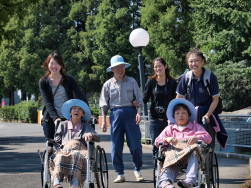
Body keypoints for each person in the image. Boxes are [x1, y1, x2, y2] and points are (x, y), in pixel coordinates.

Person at [99, 55, 144, 183]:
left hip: (131, 113)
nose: (120, 69)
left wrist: (139, 112)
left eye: (122, 66)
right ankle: (120, 173)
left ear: (125, 67)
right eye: (117, 67)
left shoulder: (132, 81)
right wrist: (103, 121)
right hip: (115, 114)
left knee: (135, 145)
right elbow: (104, 103)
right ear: (112, 69)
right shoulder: (108, 84)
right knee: (116, 145)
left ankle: (137, 169)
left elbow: (139, 100)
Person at [176, 47, 228, 149]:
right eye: (191, 61)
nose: (194, 64)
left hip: (207, 113)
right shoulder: (186, 77)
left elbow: (215, 99)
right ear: (188, 63)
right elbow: (179, 97)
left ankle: (208, 162)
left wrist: (207, 115)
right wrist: (178, 114)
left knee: (207, 144)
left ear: (202, 62)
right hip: (190, 114)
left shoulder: (210, 77)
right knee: (188, 144)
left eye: (196, 61)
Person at [155, 98, 212, 188]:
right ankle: (165, 182)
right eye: (177, 113)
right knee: (168, 154)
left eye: (183, 113)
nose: (180, 115)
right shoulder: (170, 128)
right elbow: (157, 141)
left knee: (195, 150)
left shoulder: (195, 127)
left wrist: (197, 138)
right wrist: (167, 139)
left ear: (188, 115)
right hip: (174, 157)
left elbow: (208, 138)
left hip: (190, 156)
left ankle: (189, 181)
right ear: (173, 116)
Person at [39, 53, 88, 147]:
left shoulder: (69, 80)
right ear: (47, 64)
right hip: (50, 119)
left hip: (68, 119)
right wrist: (55, 118)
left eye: (57, 63)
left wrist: (88, 112)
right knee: (51, 148)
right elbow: (47, 102)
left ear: (61, 65)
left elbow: (79, 95)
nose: (54, 66)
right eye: (51, 63)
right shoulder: (43, 82)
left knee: (68, 146)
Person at [50, 99, 100, 188]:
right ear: (70, 112)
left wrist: (90, 134)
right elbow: (56, 141)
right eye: (74, 108)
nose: (76, 110)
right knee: (59, 156)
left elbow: (98, 138)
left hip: (80, 150)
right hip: (64, 149)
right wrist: (60, 150)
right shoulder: (63, 125)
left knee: (76, 155)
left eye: (79, 109)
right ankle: (56, 183)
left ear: (83, 114)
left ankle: (75, 183)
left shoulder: (85, 125)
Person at [143, 57, 177, 156]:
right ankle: (157, 168)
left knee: (170, 144)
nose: (158, 69)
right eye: (155, 67)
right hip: (155, 118)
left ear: (165, 66)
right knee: (156, 144)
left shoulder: (172, 82)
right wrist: (136, 104)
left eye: (160, 66)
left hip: (169, 118)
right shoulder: (151, 82)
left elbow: (176, 99)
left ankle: (170, 167)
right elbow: (145, 98)